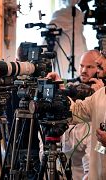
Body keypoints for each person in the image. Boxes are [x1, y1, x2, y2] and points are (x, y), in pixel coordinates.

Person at [47, 50, 106, 179]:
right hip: (95, 162)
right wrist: (59, 92)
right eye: (81, 65)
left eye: (90, 66)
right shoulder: (100, 95)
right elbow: (77, 110)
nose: (99, 61)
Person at [60, 50, 100, 180]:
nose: (83, 70)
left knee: (94, 134)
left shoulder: (101, 90)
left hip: (99, 145)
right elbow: (63, 84)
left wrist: (99, 94)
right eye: (81, 65)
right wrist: (58, 84)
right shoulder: (71, 84)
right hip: (69, 137)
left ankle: (91, 175)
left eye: (89, 67)